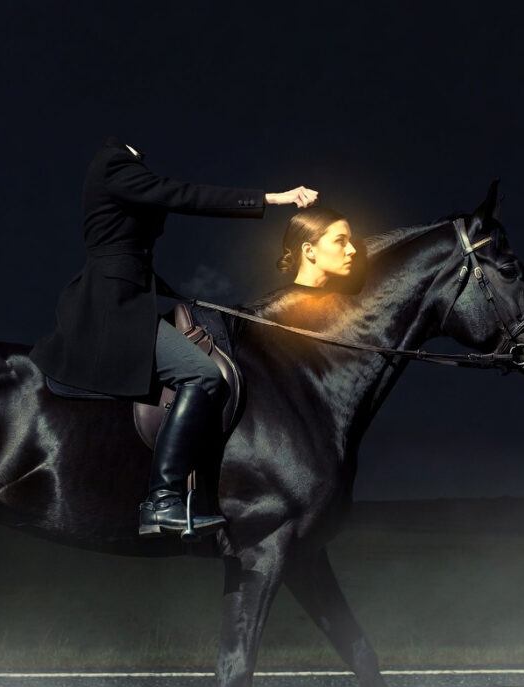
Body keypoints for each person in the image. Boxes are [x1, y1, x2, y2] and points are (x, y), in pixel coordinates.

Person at [28, 136, 317, 539]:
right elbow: (181, 195)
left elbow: (129, 250)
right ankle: (161, 499)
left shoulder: (123, 170)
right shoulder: (113, 165)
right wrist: (272, 198)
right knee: (201, 374)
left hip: (133, 297)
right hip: (112, 308)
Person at [276, 205, 357, 287]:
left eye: (349, 240)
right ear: (309, 251)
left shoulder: (339, 294)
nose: (352, 250)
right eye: (340, 241)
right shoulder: (283, 296)